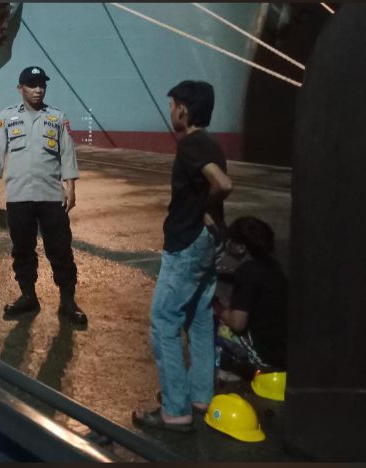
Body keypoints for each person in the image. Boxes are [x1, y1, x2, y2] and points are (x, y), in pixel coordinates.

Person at [132, 80, 232, 433]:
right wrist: (208, 210)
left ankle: (175, 409)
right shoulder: (212, 143)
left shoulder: (191, 144)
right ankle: (200, 395)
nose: (170, 110)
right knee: (200, 319)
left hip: (187, 242)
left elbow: (223, 184)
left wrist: (202, 207)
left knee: (164, 321)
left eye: (173, 104)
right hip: (207, 242)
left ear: (184, 110)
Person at [0, 66, 87, 327]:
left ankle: (67, 301)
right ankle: (28, 296)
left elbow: (67, 153)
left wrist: (71, 186)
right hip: (18, 196)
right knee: (22, 249)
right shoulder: (7, 117)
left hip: (51, 196)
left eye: (42, 85)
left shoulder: (57, 118)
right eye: (32, 85)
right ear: (20, 88)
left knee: (60, 249)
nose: (38, 90)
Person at [213, 216, 288, 380]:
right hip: (283, 349)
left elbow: (238, 323)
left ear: (241, 247)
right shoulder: (273, 266)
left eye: (231, 241)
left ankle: (235, 370)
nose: (227, 244)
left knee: (207, 324)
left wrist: (217, 307)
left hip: (265, 355)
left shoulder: (247, 273)